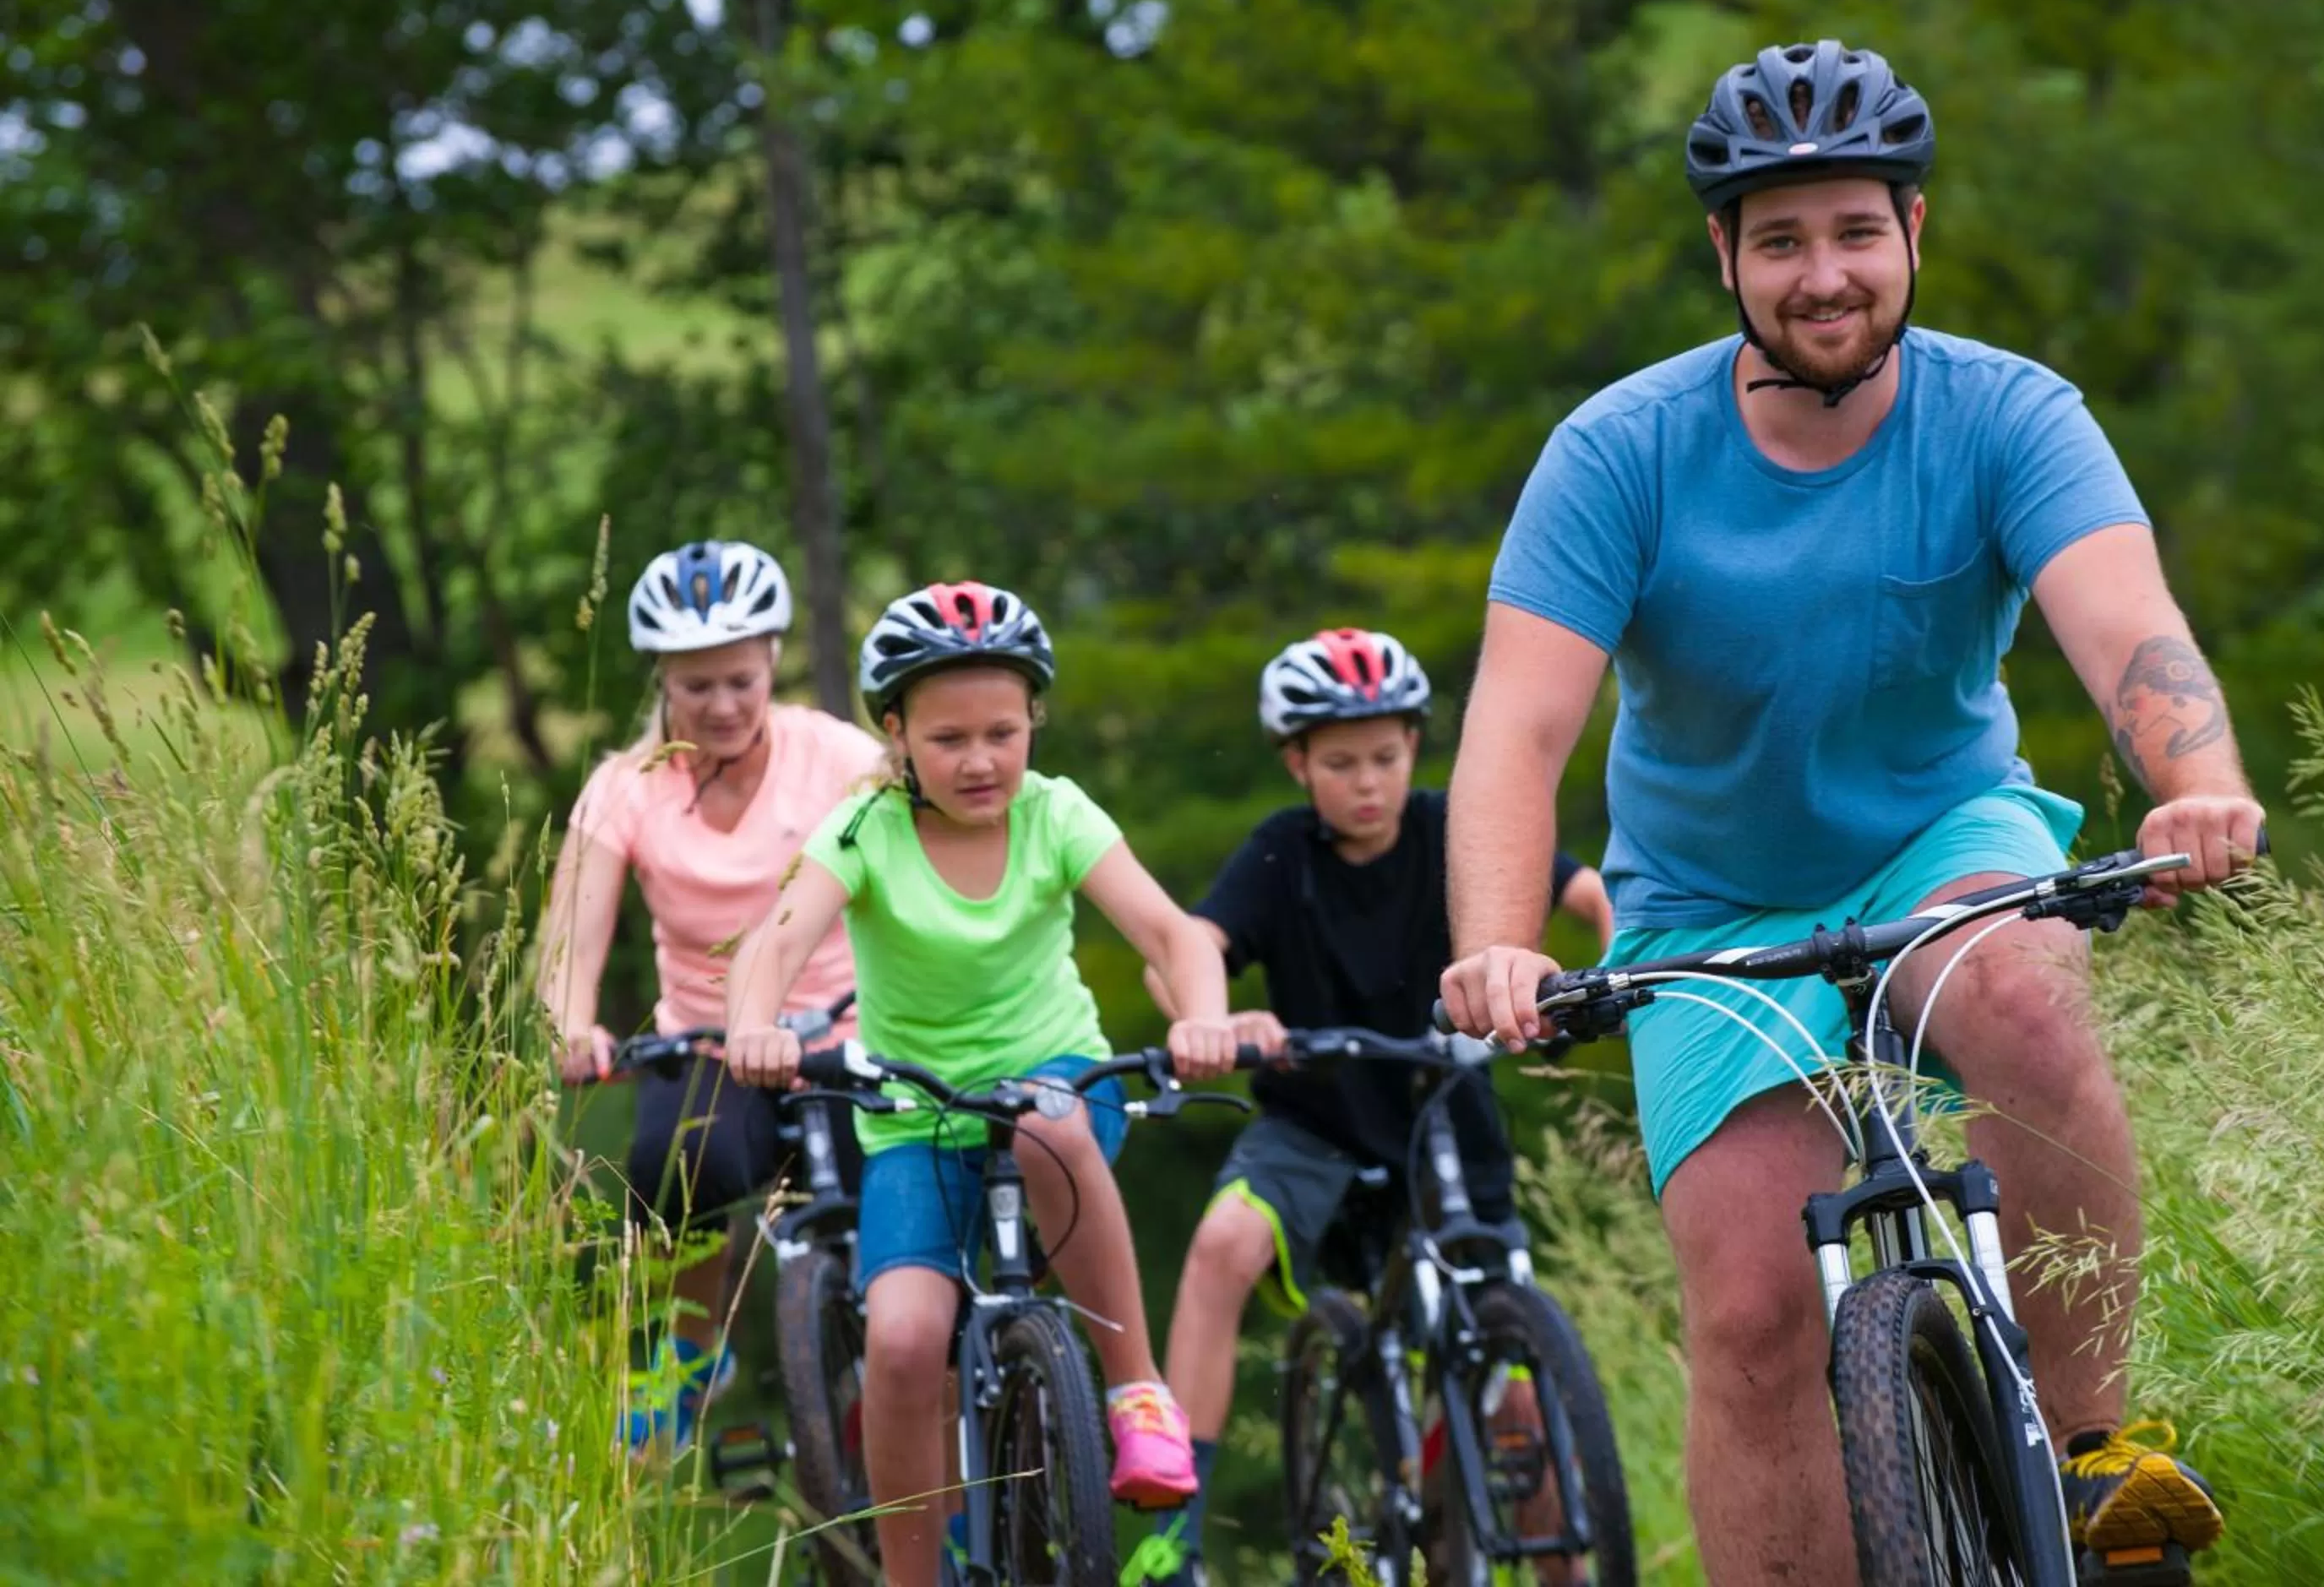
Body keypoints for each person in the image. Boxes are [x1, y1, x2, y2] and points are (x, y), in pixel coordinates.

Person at [1436, 40, 2260, 1584]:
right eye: (1782, 240)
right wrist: (1494, 944)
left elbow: (2123, 623)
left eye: (1856, 232)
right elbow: (1514, 726)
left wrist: (2196, 785)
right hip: (1704, 906)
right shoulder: (1618, 454)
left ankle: (2101, 1454)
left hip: (1943, 837)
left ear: (1915, 234)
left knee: (2011, 976)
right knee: (1751, 1312)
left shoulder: (2009, 416)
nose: (1826, 275)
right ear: (1725, 256)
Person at [721, 580, 1240, 1582]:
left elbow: (1173, 932)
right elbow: (771, 942)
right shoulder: (865, 826)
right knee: (908, 1343)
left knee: (1050, 1123)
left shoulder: (1055, 814)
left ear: (1034, 721)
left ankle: (1135, 1389)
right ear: (896, 732)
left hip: (1057, 1084)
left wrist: (1201, 1013)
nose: (980, 759)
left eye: (1003, 731)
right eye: (949, 736)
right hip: (916, 1115)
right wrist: (753, 1025)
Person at [1142, 628, 1612, 1579]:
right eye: (1341, 762)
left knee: (1522, 1390)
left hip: (1444, 1117)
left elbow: (1584, 888)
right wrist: (1207, 1020)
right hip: (1311, 1118)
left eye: (1387, 757)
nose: (1368, 781)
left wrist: (1612, 951)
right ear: (1297, 761)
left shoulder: (1452, 825)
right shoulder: (1281, 854)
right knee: (1222, 1245)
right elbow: (1187, 944)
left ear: (1415, 750)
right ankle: (1173, 1526)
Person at [539, 539, 888, 1453]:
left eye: (741, 678)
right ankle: (693, 1354)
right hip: (706, 1042)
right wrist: (571, 1024)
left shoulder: (841, 757)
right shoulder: (625, 789)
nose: (724, 705)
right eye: (698, 686)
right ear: (662, 681)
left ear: (772, 660)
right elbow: (570, 935)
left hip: (846, 1030)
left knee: (894, 1198)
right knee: (672, 1164)